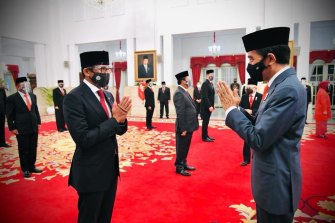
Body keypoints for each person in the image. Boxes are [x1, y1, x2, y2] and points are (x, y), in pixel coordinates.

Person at [216, 27, 306, 222]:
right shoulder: (279, 86)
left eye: (251, 59)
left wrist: (230, 111)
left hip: (277, 186)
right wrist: (238, 109)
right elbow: (261, 123)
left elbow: (258, 138)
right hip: (270, 181)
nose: (249, 65)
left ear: (270, 59)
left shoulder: (287, 89)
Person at [63, 51, 132, 223]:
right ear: (87, 71)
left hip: (110, 168)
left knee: (105, 217)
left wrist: (121, 121)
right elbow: (83, 139)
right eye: (102, 69)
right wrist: (114, 120)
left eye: (108, 68)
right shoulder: (74, 98)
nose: (107, 73)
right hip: (91, 171)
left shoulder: (107, 95)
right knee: (89, 218)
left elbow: (117, 129)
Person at [6, 77, 42, 178]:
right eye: (23, 85)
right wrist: (12, 127)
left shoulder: (32, 96)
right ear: (18, 86)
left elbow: (36, 110)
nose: (26, 86)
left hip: (33, 126)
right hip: (21, 128)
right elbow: (9, 115)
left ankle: (31, 166)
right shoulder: (12, 98)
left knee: (33, 148)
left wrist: (38, 122)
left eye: (27, 84)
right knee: (24, 149)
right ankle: (25, 169)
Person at [173, 70, 199, 176]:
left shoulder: (184, 91)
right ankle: (179, 167)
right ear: (183, 81)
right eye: (187, 79)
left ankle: (184, 163)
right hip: (184, 126)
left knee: (186, 146)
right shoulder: (179, 93)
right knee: (181, 147)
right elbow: (180, 113)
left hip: (189, 124)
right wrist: (182, 128)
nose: (189, 81)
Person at [238, 79, 262, 166]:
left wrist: (252, 111)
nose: (247, 88)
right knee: (247, 139)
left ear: (255, 87)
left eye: (249, 86)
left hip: (257, 120)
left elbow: (261, 108)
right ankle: (246, 159)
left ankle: (257, 159)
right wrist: (244, 110)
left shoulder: (260, 96)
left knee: (258, 140)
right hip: (247, 121)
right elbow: (240, 107)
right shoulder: (244, 96)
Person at [200, 69, 215, 142]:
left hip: (209, 107)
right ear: (207, 75)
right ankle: (204, 137)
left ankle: (206, 135)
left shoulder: (210, 83)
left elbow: (211, 96)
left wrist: (212, 105)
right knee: (205, 122)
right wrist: (209, 106)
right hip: (206, 107)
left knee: (207, 122)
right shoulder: (205, 83)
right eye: (211, 74)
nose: (212, 75)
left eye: (213, 74)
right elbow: (205, 97)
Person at [0, 81, 10, 148]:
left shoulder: (2, 90)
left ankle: (2, 143)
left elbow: (5, 100)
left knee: (1, 128)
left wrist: (7, 111)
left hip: (1, 112)